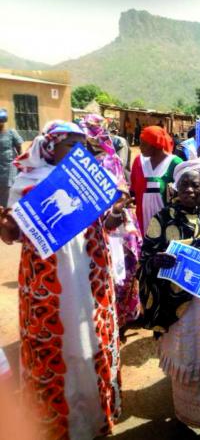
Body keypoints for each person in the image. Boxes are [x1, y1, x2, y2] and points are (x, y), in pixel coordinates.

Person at [0, 121, 127, 439]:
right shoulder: (28, 181)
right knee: (59, 341)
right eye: (73, 144)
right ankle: (59, 421)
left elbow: (101, 223)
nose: (80, 152)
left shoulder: (90, 179)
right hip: (48, 279)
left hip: (89, 273)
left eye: (83, 145)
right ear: (50, 146)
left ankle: (96, 412)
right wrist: (6, 225)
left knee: (90, 339)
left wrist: (111, 218)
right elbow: (14, 234)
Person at [138, 158, 200, 437]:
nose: (188, 189)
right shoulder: (163, 218)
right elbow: (145, 259)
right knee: (185, 353)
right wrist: (156, 262)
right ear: (175, 186)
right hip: (177, 306)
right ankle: (184, 416)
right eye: (184, 184)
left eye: (195, 184)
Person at [80, 114, 143, 334]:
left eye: (90, 135)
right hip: (86, 228)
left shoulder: (109, 160)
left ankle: (118, 321)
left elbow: (122, 194)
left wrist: (114, 211)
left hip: (115, 228)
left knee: (118, 275)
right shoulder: (74, 164)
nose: (88, 141)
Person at [130, 125, 183, 233]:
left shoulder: (175, 163)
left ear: (156, 145)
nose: (140, 147)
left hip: (167, 222)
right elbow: (134, 190)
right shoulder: (139, 161)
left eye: (144, 144)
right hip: (142, 219)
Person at [0, 108, 23, 207]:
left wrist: (21, 163)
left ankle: (7, 212)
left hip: (9, 166)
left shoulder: (11, 132)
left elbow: (19, 148)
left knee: (8, 188)